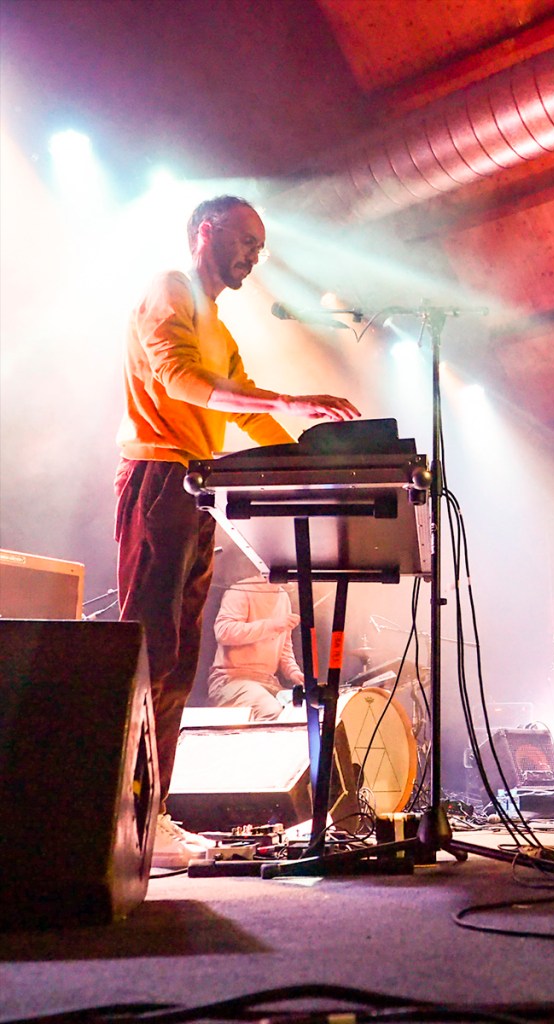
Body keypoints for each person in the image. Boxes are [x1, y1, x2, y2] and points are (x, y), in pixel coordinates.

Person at [114, 195, 361, 868]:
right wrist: (288, 402)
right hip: (159, 476)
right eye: (246, 240)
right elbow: (181, 379)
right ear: (207, 231)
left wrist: (313, 461)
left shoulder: (219, 326)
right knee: (151, 651)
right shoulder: (170, 287)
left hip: (195, 486)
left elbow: (246, 409)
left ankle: (152, 816)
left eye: (259, 247)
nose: (254, 255)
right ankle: (123, 817)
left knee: (177, 660)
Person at [207, 576, 305, 721]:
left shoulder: (283, 597)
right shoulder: (241, 590)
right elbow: (224, 632)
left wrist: (294, 673)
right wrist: (273, 625)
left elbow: (284, 648)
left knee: (300, 714)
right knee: (271, 712)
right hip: (231, 680)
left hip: (268, 682)